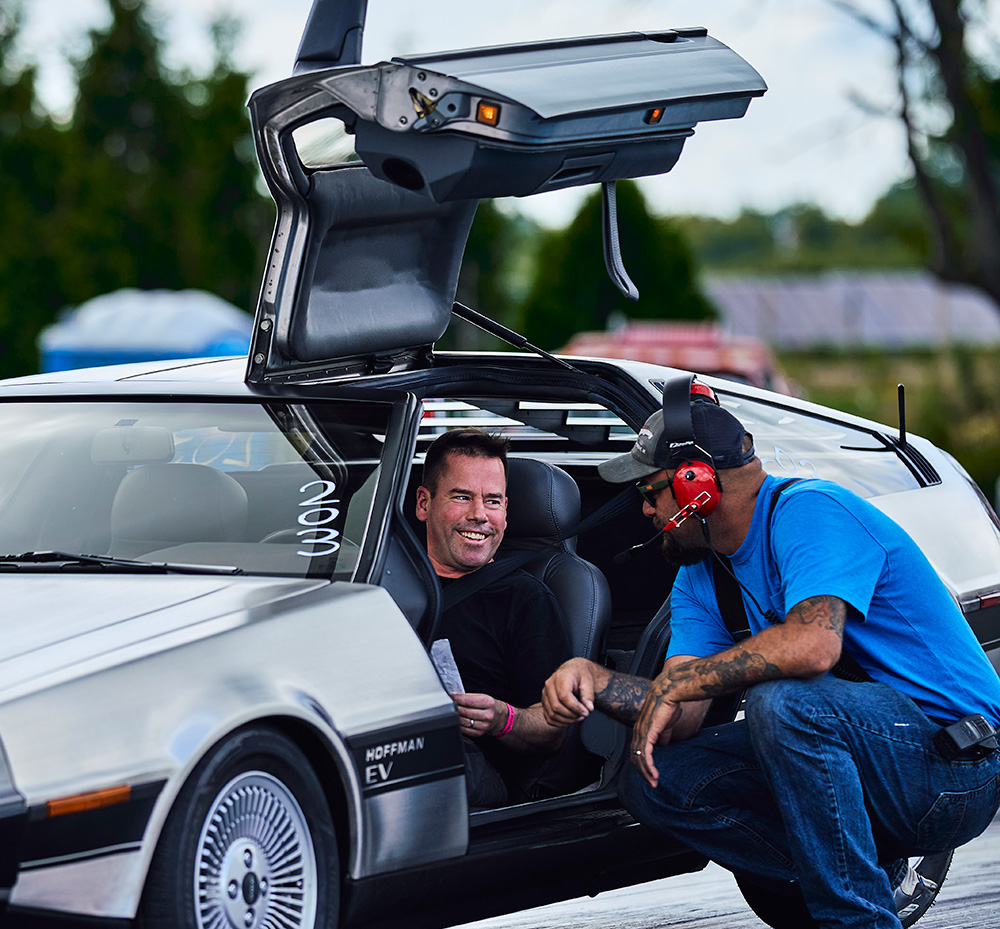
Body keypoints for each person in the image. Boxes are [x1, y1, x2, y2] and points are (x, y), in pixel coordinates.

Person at [542, 378, 1000, 928]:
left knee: (783, 703)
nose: (644, 511)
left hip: (952, 767)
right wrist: (596, 682)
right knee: (654, 778)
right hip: (862, 756)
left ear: (696, 486)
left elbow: (813, 646)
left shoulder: (813, 511)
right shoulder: (700, 575)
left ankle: (854, 920)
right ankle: (856, 884)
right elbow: (681, 713)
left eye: (650, 492)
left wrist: (682, 684)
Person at [416, 427, 572, 807]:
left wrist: (502, 718)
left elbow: (555, 727)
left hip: (471, 764)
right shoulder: (381, 577)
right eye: (461, 497)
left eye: (493, 501)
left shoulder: (525, 598)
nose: (479, 516)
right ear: (424, 503)